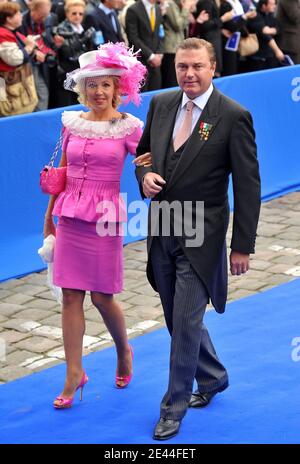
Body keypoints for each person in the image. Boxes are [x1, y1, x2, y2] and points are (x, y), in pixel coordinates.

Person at [134, 37, 261, 440]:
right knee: (176, 317)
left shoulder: (233, 115)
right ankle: (212, 376)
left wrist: (241, 245)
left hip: (203, 234)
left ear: (213, 68)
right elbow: (143, 157)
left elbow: (248, 185)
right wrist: (144, 178)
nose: (189, 74)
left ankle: (174, 406)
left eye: (197, 67)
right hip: (163, 228)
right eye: (182, 67)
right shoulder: (160, 105)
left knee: (186, 322)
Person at [43, 42, 148, 409]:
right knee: (70, 295)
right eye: (93, 85)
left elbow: (149, 163)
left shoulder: (130, 127)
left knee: (103, 296)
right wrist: (49, 220)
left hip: (105, 219)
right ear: (83, 89)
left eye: (106, 85)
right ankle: (74, 373)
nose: (99, 92)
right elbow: (63, 174)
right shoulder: (71, 122)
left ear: (119, 89)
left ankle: (124, 351)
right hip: (69, 215)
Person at [0, 2, 37, 116]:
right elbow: (15, 59)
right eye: (18, 14)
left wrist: (30, 47)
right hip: (10, 86)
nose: (21, 15)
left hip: (19, 86)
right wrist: (30, 47)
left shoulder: (12, 32)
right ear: (9, 19)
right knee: (9, 114)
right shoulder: (3, 35)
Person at [56, 0, 94, 107]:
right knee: (68, 103)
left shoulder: (83, 27)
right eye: (74, 13)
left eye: (80, 14)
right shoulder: (61, 29)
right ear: (67, 14)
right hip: (67, 72)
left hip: (81, 71)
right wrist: (82, 39)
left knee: (81, 102)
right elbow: (66, 52)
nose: (77, 16)